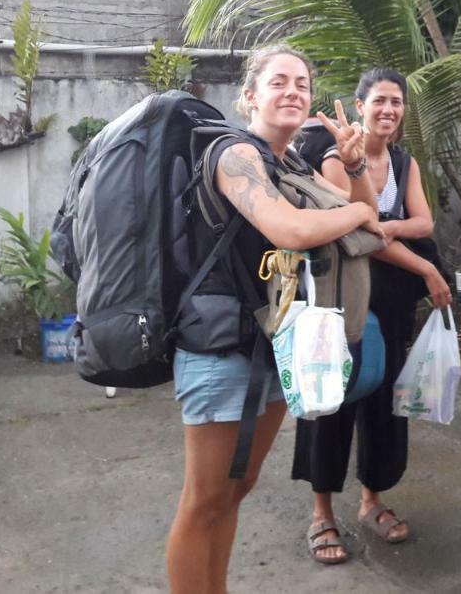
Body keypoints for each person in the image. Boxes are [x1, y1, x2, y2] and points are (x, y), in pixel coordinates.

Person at [166, 45, 386, 594]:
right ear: (249, 96)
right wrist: (357, 210)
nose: (293, 91)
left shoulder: (291, 162)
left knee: (235, 490)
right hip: (219, 350)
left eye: (302, 84)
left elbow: (366, 221)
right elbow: (292, 228)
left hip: (269, 346)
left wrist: (355, 167)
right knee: (204, 501)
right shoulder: (232, 156)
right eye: (278, 82)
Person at [291, 67, 452, 565]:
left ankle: (371, 501)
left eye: (397, 102)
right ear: (360, 105)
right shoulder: (340, 157)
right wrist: (425, 265)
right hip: (341, 302)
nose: (389, 110)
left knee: (385, 403)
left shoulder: (405, 162)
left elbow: (423, 220)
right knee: (329, 400)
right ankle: (322, 512)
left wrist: (388, 227)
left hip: (392, 303)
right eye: (379, 100)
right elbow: (356, 237)